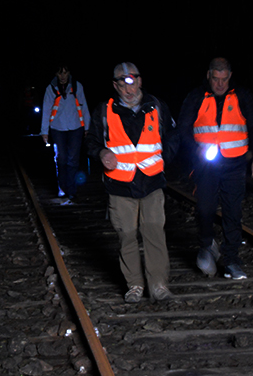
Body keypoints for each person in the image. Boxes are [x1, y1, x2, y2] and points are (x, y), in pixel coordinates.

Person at [86, 62, 178, 303]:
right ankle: (135, 285)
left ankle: (158, 285)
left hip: (151, 181)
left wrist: (164, 157)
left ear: (139, 80)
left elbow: (172, 136)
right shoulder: (104, 111)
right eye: (122, 84)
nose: (129, 89)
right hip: (120, 185)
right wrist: (101, 154)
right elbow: (92, 141)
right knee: (126, 235)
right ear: (115, 86)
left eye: (132, 81)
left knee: (154, 232)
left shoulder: (156, 106)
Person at [177, 57, 253, 280]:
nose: (220, 85)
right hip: (206, 165)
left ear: (230, 77)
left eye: (224, 80)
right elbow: (183, 128)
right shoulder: (196, 97)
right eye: (216, 79)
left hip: (234, 164)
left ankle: (232, 260)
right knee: (205, 209)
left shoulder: (242, 97)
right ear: (208, 76)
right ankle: (207, 244)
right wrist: (195, 148)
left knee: (232, 212)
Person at [40, 64, 91, 201]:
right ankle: (62, 187)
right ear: (56, 74)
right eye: (60, 73)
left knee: (73, 160)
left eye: (65, 72)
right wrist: (44, 131)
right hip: (57, 128)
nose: (62, 76)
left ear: (69, 73)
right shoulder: (51, 88)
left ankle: (71, 190)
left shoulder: (77, 86)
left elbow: (84, 106)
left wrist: (87, 126)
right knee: (61, 159)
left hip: (76, 127)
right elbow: (46, 110)